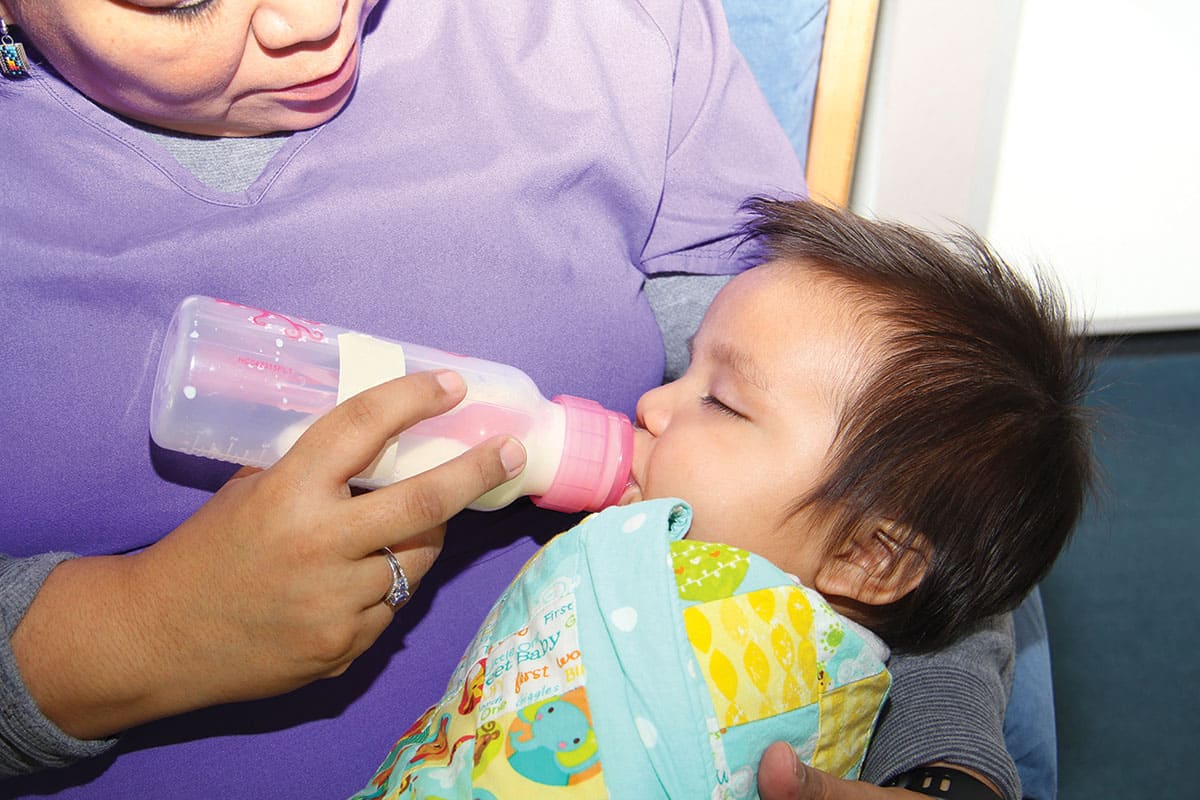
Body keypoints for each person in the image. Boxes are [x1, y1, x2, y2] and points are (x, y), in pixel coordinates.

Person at [0, 1, 1027, 797]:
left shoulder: (602, 38)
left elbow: (902, 447)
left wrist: (940, 765)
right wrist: (132, 633)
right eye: (178, 0)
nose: (313, 20)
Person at [351, 199, 1093, 799]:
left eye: (724, 403)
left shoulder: (755, 692)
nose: (651, 404)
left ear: (868, 557)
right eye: (688, 367)